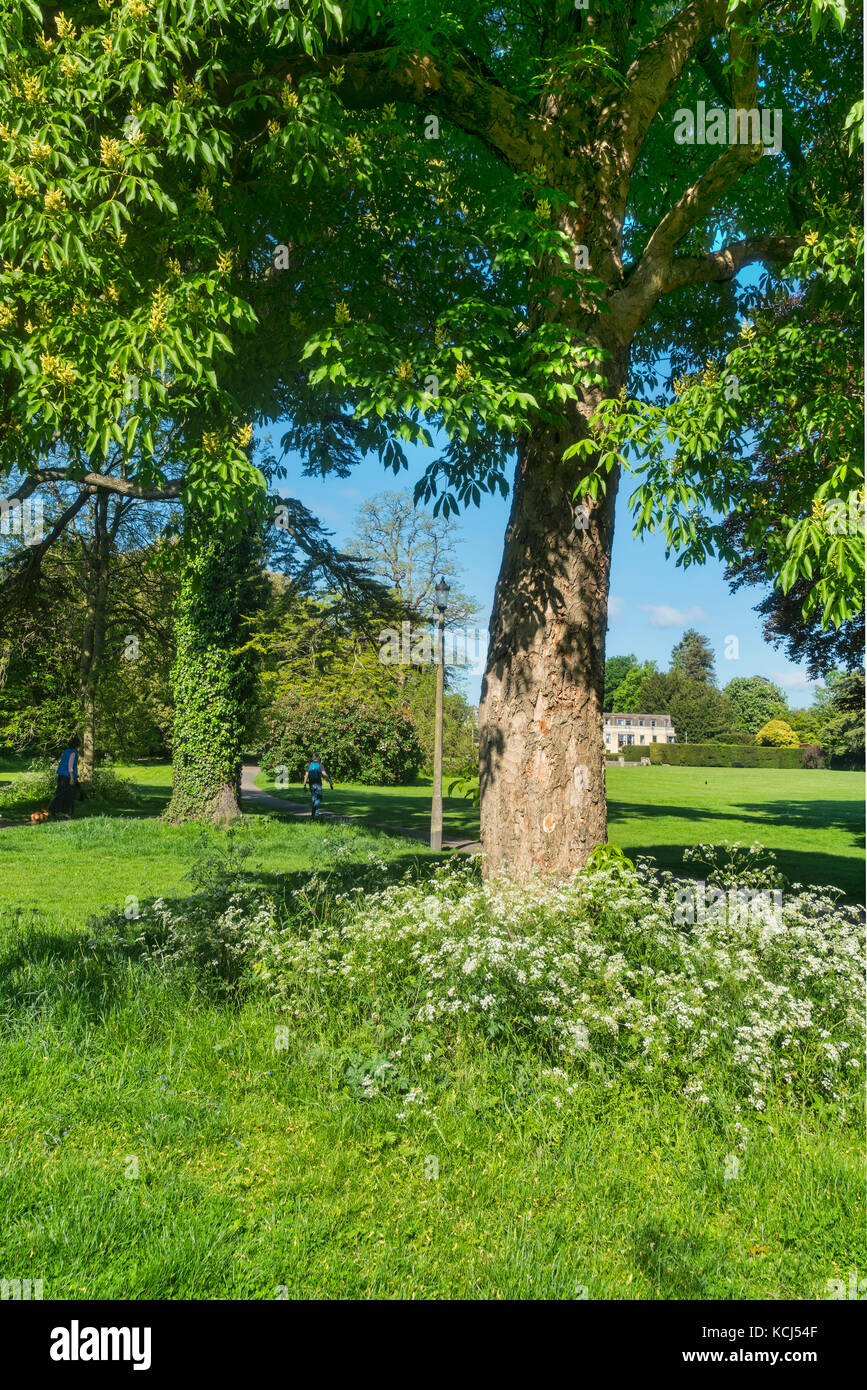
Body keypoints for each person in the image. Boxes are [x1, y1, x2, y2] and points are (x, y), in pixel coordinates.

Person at [49, 735, 80, 819]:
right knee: (69, 795)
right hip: (67, 776)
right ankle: (67, 813)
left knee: (59, 793)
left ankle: (53, 810)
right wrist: (72, 778)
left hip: (61, 775)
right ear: (77, 744)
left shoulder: (66, 751)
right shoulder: (73, 753)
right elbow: (70, 766)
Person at [302, 755, 333, 819]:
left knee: (314, 799)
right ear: (318, 759)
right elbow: (324, 774)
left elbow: (306, 775)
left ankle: (315, 815)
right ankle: (314, 811)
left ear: (313, 759)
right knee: (319, 799)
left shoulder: (309, 766)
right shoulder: (320, 765)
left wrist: (304, 785)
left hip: (311, 784)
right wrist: (330, 782)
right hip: (318, 784)